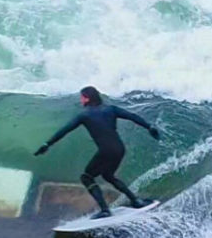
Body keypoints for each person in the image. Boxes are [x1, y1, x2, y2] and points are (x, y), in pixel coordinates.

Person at [33, 86, 160, 218]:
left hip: (106, 151)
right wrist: (149, 126)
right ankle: (136, 201)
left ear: (87, 98)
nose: (80, 100)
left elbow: (65, 130)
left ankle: (105, 210)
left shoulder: (85, 115)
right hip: (119, 149)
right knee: (108, 176)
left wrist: (47, 144)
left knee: (86, 177)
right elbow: (132, 116)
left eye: (82, 97)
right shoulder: (111, 109)